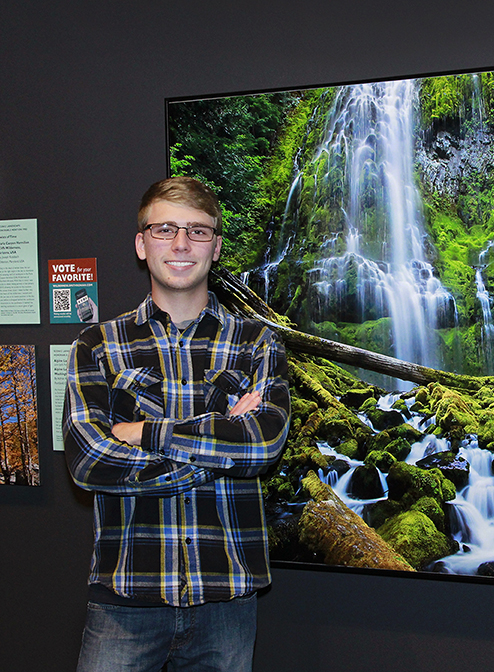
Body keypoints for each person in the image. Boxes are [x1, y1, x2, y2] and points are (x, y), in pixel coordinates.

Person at [63, 177, 291, 671]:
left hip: (226, 598)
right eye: (165, 229)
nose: (182, 244)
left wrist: (145, 432)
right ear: (141, 244)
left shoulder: (258, 344)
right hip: (126, 595)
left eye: (198, 231)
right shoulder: (97, 345)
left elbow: (264, 447)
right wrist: (219, 443)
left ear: (216, 246)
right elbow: (88, 461)